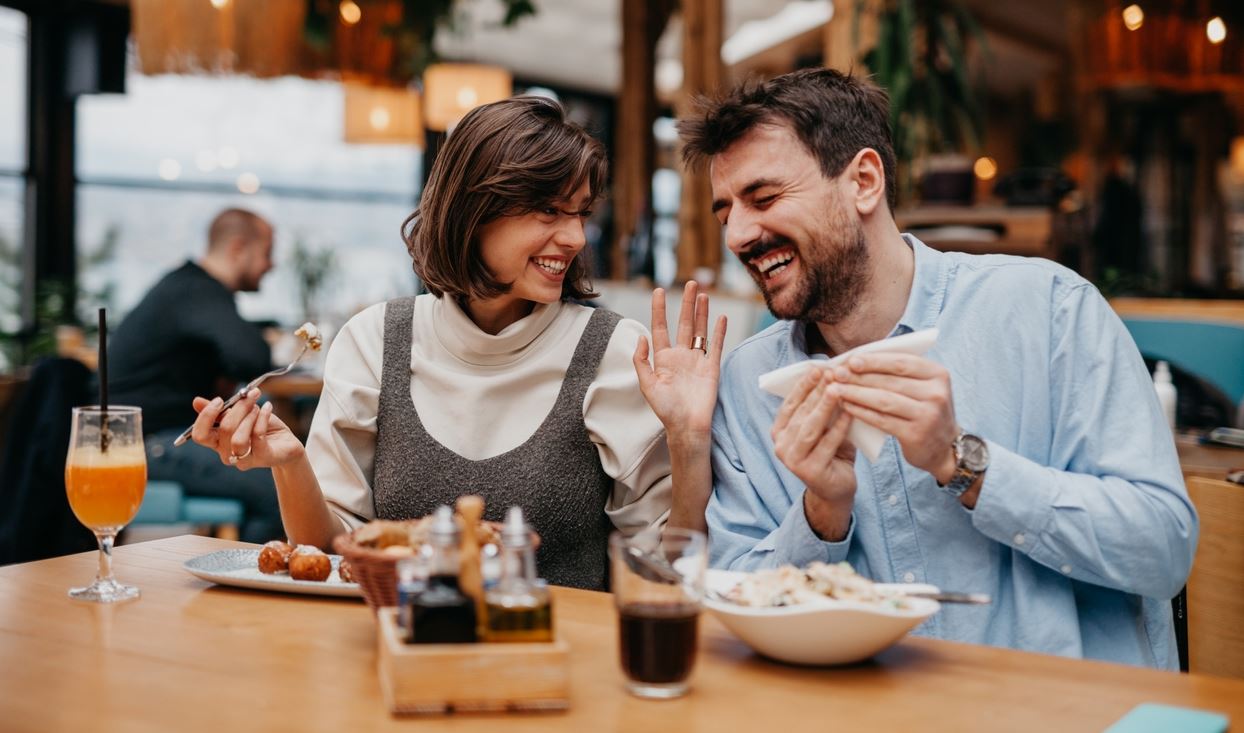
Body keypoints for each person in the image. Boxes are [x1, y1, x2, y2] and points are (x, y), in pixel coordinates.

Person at [677, 68, 1196, 668]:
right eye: (724, 213)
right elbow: (732, 597)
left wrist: (964, 462)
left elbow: (1164, 550)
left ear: (864, 182)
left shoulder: (1049, 309)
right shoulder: (745, 384)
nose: (739, 234)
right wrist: (820, 514)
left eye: (764, 199)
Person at [189, 97, 721, 591]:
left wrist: (690, 441)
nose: (577, 238)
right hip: (398, 651)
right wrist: (290, 463)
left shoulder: (613, 350)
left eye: (580, 212)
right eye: (550, 212)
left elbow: (665, 565)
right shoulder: (375, 340)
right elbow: (331, 554)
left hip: (558, 662)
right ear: (474, 212)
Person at [109, 208, 282, 544]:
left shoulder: (185, 288)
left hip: (150, 437)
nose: (271, 264)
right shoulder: (198, 291)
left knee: (277, 473)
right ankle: (251, 588)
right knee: (278, 489)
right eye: (266, 253)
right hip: (148, 443)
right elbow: (252, 356)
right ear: (237, 248)